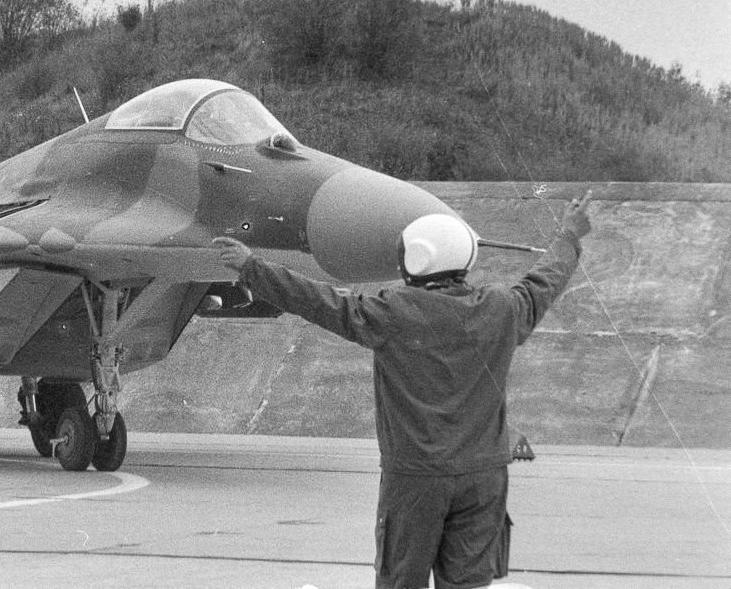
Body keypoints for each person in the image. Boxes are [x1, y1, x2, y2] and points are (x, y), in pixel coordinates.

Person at [214, 191, 593, 589]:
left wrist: (252, 268)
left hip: (416, 480)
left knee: (400, 581)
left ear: (417, 259)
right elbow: (544, 281)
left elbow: (320, 302)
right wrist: (569, 235)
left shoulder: (392, 312)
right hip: (485, 479)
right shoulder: (502, 309)